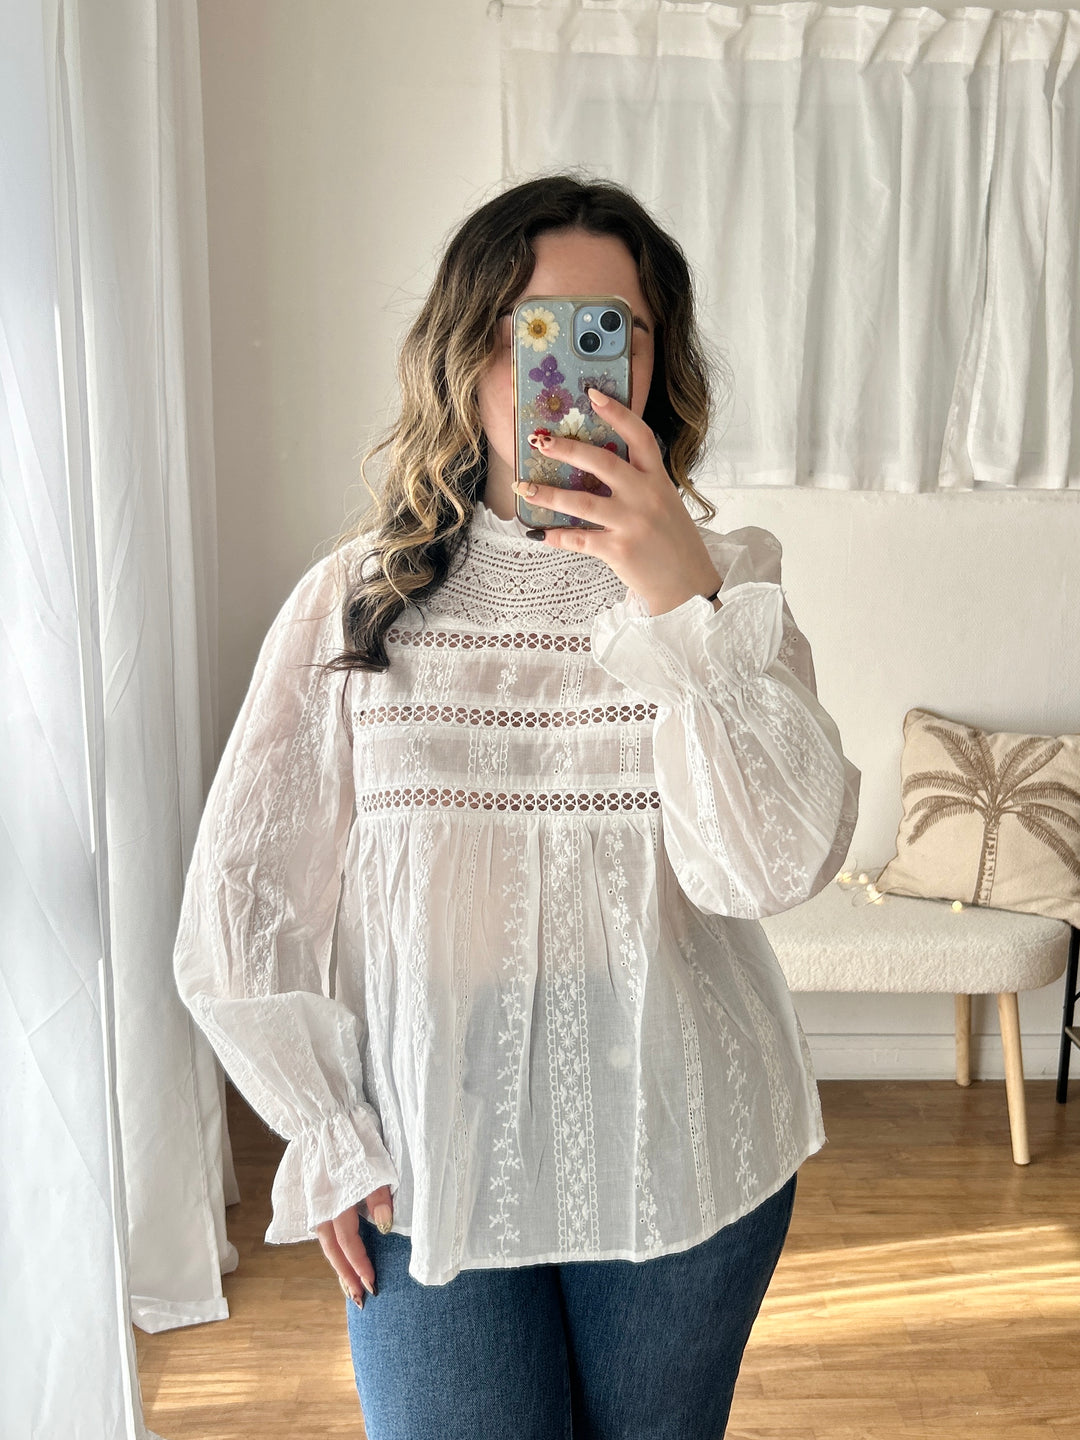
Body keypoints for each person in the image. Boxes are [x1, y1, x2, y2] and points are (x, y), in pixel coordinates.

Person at [172, 172, 860, 1440]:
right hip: (428, 1138)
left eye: (611, 331)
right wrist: (324, 1124)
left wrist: (680, 602)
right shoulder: (359, 600)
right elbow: (244, 890)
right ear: (468, 352)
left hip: (682, 1130)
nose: (566, 367)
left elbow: (772, 869)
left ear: (654, 362)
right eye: (531, 329)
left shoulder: (729, 582)